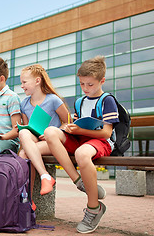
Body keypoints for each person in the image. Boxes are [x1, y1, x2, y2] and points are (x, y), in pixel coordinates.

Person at [44, 55, 119, 234]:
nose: (85, 88)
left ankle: (94, 208)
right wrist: (70, 128)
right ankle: (79, 181)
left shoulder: (107, 100)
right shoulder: (80, 101)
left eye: (90, 84)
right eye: (82, 84)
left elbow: (107, 133)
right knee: (50, 132)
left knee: (82, 154)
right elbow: (77, 125)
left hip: (100, 142)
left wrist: (79, 131)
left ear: (102, 81)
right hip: (81, 139)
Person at [18, 64, 70, 203]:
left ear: (37, 81)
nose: (22, 86)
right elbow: (28, 128)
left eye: (24, 82)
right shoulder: (24, 104)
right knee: (23, 134)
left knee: (24, 154)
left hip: (52, 143)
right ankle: (41, 180)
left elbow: (67, 122)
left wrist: (51, 133)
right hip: (36, 142)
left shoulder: (53, 100)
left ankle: (28, 198)